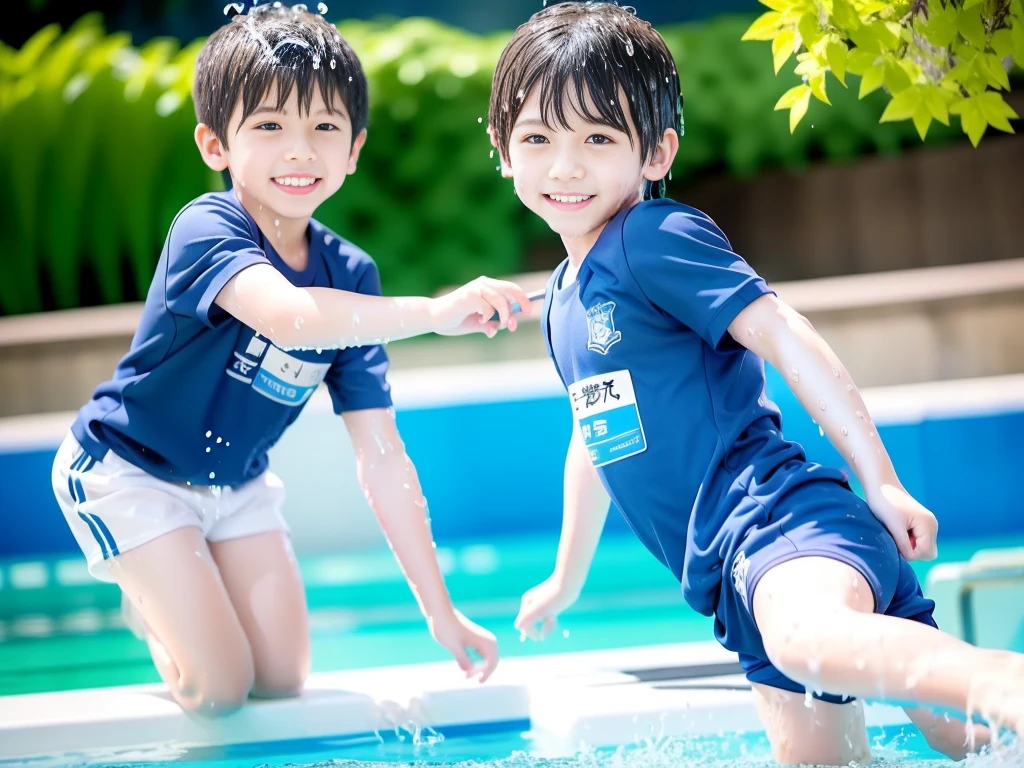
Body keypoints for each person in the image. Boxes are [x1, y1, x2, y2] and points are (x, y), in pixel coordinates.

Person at [489, 3, 1024, 764]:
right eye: (538, 139)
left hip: (782, 532)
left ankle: (1004, 678)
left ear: (656, 151)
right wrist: (563, 579)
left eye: (598, 138)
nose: (564, 166)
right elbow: (595, 436)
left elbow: (782, 333)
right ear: (502, 151)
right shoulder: (565, 299)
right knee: (964, 745)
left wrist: (884, 479)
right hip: (739, 587)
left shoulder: (652, 237)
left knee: (825, 647)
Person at [51, 4, 529, 718]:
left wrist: (439, 611)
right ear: (216, 144)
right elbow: (289, 317)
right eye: (270, 126)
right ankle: (151, 603)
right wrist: (432, 314)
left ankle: (182, 586)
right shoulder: (206, 228)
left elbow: (383, 460)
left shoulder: (351, 275)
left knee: (280, 680)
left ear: (354, 149)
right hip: (128, 472)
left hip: (233, 486)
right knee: (219, 686)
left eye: (324, 128)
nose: (300, 151)